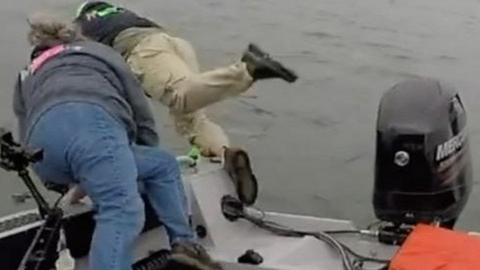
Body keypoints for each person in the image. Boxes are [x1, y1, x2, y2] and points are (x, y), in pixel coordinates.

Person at [13, 15, 221, 270]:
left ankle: (185, 245)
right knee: (122, 211)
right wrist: (137, 151)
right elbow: (140, 112)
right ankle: (180, 242)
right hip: (92, 129)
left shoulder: (27, 72)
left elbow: (24, 136)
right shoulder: (99, 53)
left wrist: (55, 182)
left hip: (44, 152)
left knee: (163, 164)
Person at [73, 1, 298, 205]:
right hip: (173, 43)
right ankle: (224, 154)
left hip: (142, 51)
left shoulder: (82, 28)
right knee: (191, 118)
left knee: (180, 98)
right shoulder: (120, 14)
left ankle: (246, 70)